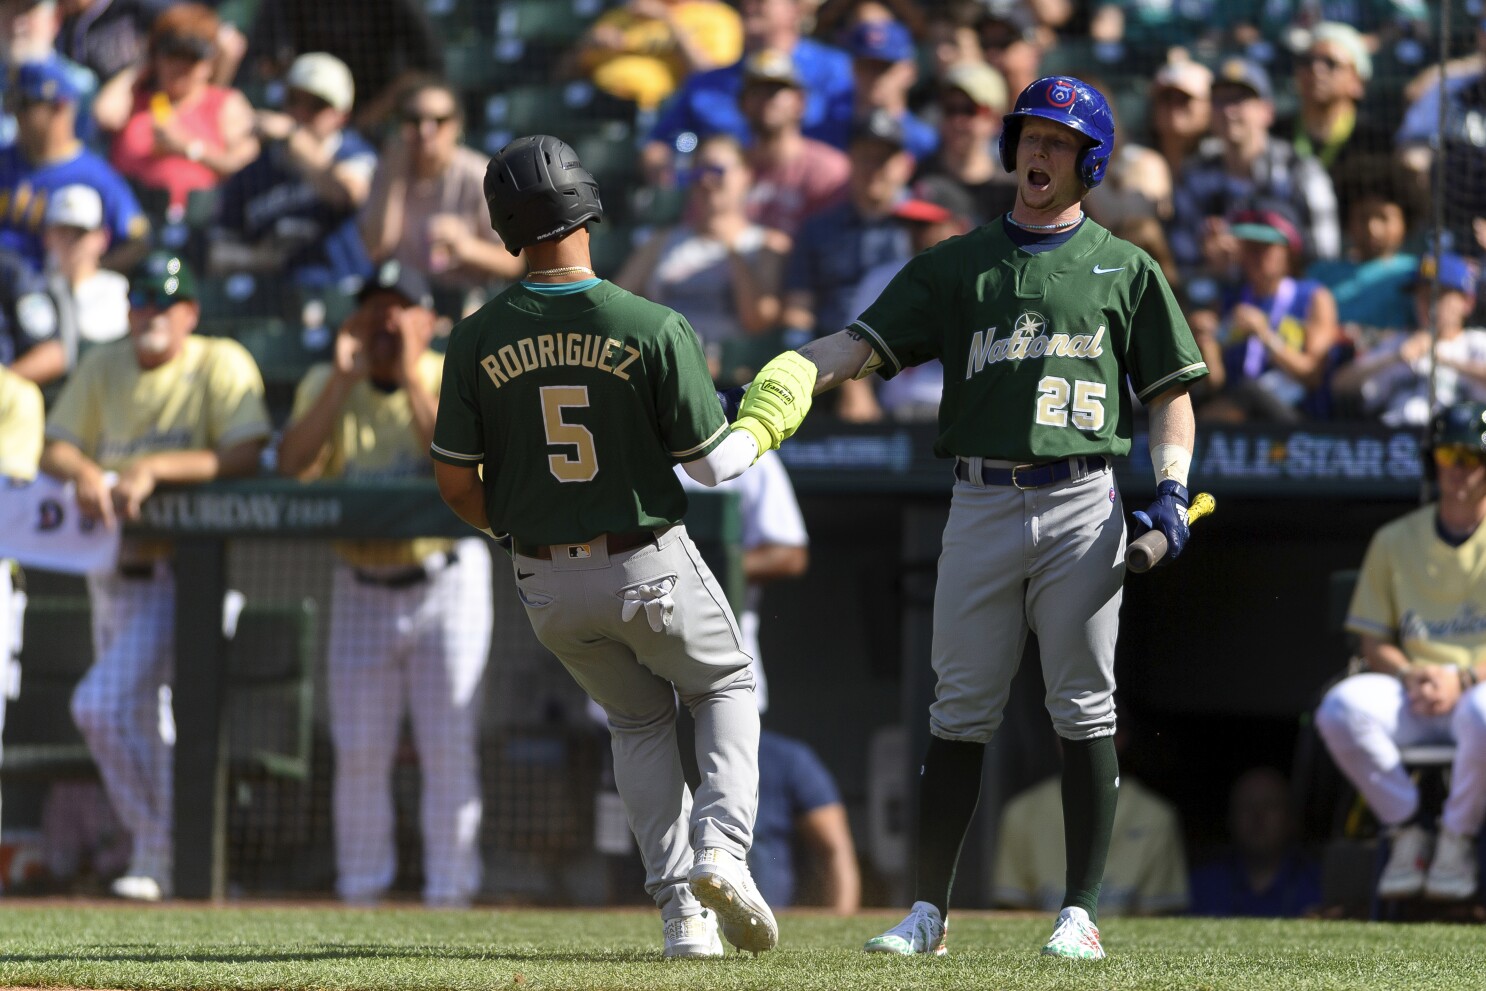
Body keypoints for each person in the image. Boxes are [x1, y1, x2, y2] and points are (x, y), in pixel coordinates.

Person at [732, 75, 1208, 959]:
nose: (1039, 152)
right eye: (1030, 136)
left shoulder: (1126, 265)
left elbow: (1171, 393)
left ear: (1089, 160)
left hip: (1081, 498)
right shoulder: (960, 263)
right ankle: (928, 911)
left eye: (1059, 142)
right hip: (981, 496)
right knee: (958, 709)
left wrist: (1173, 486)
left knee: (1082, 705)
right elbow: (862, 344)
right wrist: (798, 371)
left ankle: (1079, 910)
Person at [430, 134, 775, 958]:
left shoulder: (475, 337)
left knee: (636, 720)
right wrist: (764, 418)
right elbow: (706, 462)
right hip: (645, 559)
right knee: (725, 683)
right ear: (587, 204)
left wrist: (519, 530)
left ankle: (680, 917)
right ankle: (722, 851)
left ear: (508, 226)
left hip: (545, 582)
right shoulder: (651, 323)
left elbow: (453, 482)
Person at [39, 250, 271, 901]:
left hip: (183, 578)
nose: (152, 312)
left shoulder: (218, 360)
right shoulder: (105, 361)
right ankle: (161, 859)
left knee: (98, 706)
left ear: (190, 312)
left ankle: (165, 845)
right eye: (142, 299)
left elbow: (247, 453)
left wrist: (157, 467)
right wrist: (85, 470)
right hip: (111, 575)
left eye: (166, 301)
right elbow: (55, 444)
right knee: (140, 721)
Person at [277, 259, 493, 909]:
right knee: (361, 751)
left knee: (448, 745)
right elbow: (291, 468)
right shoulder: (327, 380)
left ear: (429, 320)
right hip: (362, 584)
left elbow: (457, 469)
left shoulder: (450, 373)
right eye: (374, 306)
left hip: (445, 580)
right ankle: (361, 892)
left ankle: (450, 895)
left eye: (401, 307)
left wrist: (408, 375)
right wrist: (343, 382)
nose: (385, 319)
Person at [1314, 400, 1486, 904]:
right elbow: (1374, 642)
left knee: (1481, 713)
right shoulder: (1395, 538)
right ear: (1433, 459)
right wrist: (1411, 674)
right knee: (1340, 708)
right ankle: (1408, 828)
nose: (1459, 469)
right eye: (1449, 455)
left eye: (1473, 457)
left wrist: (1466, 679)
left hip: (1476, 694)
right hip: (1415, 690)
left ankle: (1455, 839)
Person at [779, 108, 915, 419]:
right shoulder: (817, 229)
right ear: (849, 162)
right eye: (865, 158)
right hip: (829, 360)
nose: (873, 169)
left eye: (883, 160)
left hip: (904, 358)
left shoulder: (918, 230)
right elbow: (798, 309)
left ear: (905, 166)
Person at [614, 133, 788, 372]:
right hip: (662, 365)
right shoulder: (661, 241)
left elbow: (759, 320)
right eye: (698, 173)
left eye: (717, 171)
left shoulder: (768, 244)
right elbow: (616, 309)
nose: (706, 181)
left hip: (733, 374)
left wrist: (730, 247)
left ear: (746, 176)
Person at [1168, 57, 1340, 289]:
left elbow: (1324, 263)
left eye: (1240, 99)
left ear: (1267, 111)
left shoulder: (1301, 171)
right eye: (1220, 100)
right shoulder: (1194, 176)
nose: (1229, 111)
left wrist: (1258, 256)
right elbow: (1183, 264)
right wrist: (1212, 263)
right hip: (1219, 307)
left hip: (1291, 306)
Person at [209, 51, 377, 289]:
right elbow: (218, 254)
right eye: (294, 100)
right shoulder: (252, 172)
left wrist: (295, 138)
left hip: (343, 290)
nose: (301, 112)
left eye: (317, 105)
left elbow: (347, 194)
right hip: (276, 301)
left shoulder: (354, 152)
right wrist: (261, 258)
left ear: (342, 115)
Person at [640, 0, 854, 186]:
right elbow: (668, 141)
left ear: (795, 9)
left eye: (761, 1)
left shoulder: (836, 70)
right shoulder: (707, 83)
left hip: (808, 199)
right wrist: (675, 168)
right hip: (721, 200)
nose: (750, 5)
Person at [358, 77, 523, 300]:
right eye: (414, 120)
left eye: (438, 120)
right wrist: (392, 178)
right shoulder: (388, 171)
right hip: (403, 296)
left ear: (457, 125)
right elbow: (375, 250)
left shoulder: (479, 176)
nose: (425, 130)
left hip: (466, 300)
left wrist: (466, 247)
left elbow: (514, 262)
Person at [1188, 203, 1342, 424]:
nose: (1255, 256)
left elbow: (1312, 374)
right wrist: (1207, 344)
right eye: (1248, 248)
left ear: (1289, 250)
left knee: (1249, 392)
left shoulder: (1313, 296)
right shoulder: (1231, 298)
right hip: (1239, 416)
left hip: (1297, 418)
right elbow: (1216, 384)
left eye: (1265, 248)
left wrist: (1264, 334)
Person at [98, 2, 259, 213]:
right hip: (135, 221)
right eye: (173, 55)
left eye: (192, 58)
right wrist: (141, 66)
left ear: (208, 63)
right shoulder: (134, 100)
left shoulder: (223, 102)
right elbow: (105, 114)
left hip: (196, 225)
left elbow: (242, 163)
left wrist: (188, 147)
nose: (181, 66)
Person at [0, 55, 150, 274]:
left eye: (26, 106)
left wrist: (89, 272)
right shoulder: (4, 160)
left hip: (55, 295)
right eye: (16, 107)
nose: (18, 117)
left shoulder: (94, 176)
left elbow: (136, 241)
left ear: (60, 107)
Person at [993, 756, 1189, 916]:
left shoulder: (1154, 814)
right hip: (1052, 932)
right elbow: (1014, 906)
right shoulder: (1022, 810)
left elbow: (1156, 914)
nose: (1083, 739)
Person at [1330, 253, 1486, 429]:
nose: (1429, 304)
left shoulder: (1477, 342)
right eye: (1422, 295)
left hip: (1454, 444)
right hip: (1396, 439)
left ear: (1467, 302)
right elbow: (1340, 385)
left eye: (1438, 295)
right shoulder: (1399, 343)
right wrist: (1394, 357)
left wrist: (1444, 359)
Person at [244, 0, 443, 132]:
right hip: (306, 117)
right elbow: (263, 58)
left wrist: (370, 116)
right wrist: (301, 106)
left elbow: (427, 68)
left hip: (375, 121)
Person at [738, 47, 849, 239]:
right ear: (742, 103)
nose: (766, 101)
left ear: (800, 102)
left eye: (774, 91)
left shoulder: (828, 170)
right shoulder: (731, 167)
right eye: (756, 92)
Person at [559, 0, 743, 112]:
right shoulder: (622, 15)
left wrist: (668, 19)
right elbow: (562, 74)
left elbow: (712, 78)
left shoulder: (718, 17)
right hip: (596, 106)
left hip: (660, 112)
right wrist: (587, 45)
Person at [1188, 766, 1323, 918]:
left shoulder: (1321, 885)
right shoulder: (1200, 887)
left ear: (1291, 819)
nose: (1258, 815)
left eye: (1270, 805)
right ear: (1230, 819)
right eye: (1247, 806)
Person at [753, 727, 860, 913]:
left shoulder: (786, 758)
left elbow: (835, 850)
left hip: (775, 910)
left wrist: (842, 920)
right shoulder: (688, 752)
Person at [911, 60, 1014, 226]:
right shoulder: (918, 179)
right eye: (950, 109)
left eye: (969, 110)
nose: (957, 120)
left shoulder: (1011, 190)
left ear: (994, 119)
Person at [41, 182, 128, 368]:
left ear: (102, 237)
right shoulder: (33, 288)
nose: (71, 241)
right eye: (62, 231)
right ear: (47, 236)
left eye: (80, 233)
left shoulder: (117, 291)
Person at [844, 18, 936, 162]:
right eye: (866, 66)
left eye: (884, 68)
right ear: (853, 68)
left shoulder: (924, 141)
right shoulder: (828, 125)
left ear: (910, 72)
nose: (874, 77)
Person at [0, 242, 62, 385]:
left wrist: (4, 383)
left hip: (4, 395)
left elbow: (52, 353)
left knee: (24, 400)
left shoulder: (10, 271)